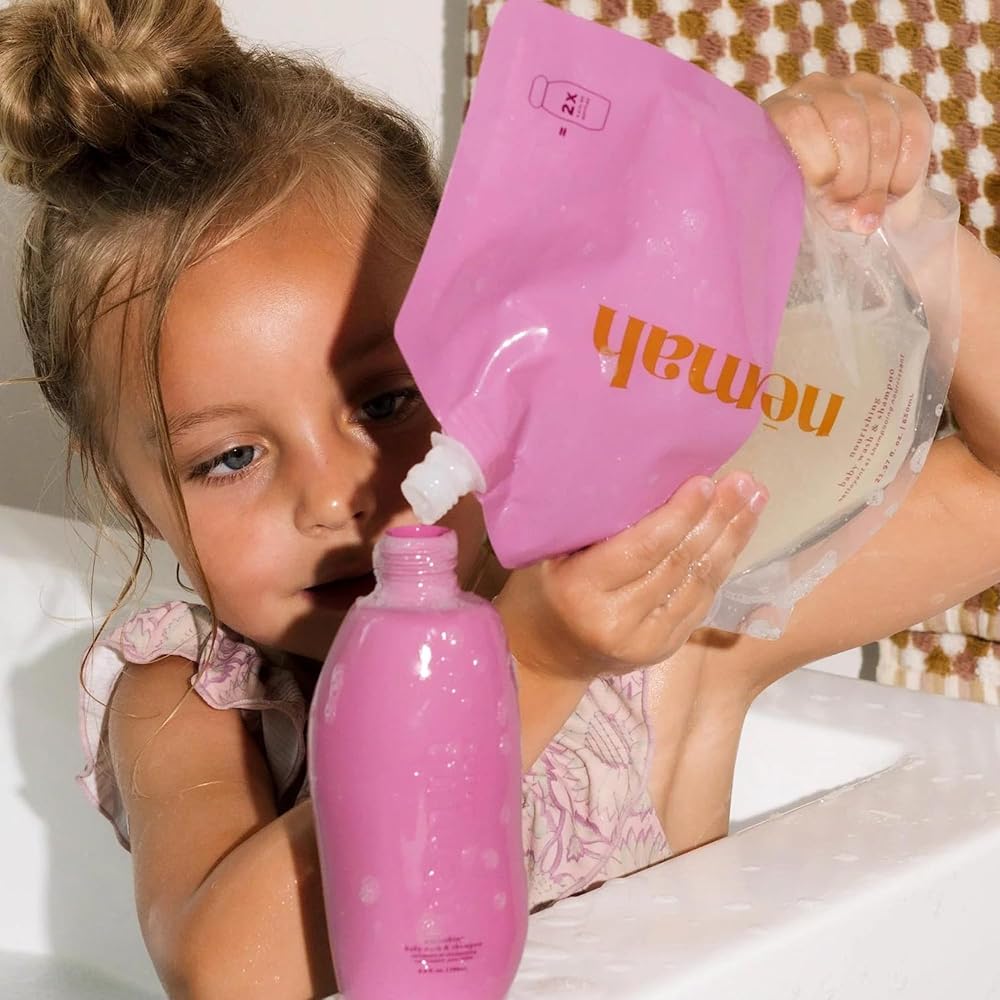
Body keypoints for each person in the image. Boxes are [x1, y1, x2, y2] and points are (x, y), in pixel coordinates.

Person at [1, 1, 997, 996]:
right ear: (128, 489)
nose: (338, 495)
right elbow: (229, 976)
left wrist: (899, 236)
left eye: (385, 401)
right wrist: (534, 660)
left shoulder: (657, 617)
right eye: (230, 458)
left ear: (494, 336)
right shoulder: (195, 700)